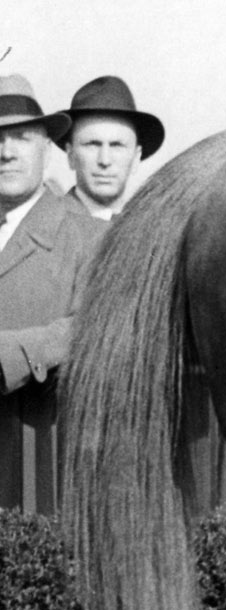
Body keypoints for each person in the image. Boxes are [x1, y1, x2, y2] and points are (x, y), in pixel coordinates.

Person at [0, 75, 108, 395]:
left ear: (47, 152)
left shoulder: (91, 236)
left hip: (41, 434)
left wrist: (10, 355)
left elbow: (93, 326)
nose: (6, 153)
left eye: (21, 137)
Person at [54, 75, 165, 219]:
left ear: (136, 157)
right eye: (92, 144)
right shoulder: (44, 226)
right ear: (71, 155)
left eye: (117, 145)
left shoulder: (147, 227)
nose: (105, 161)